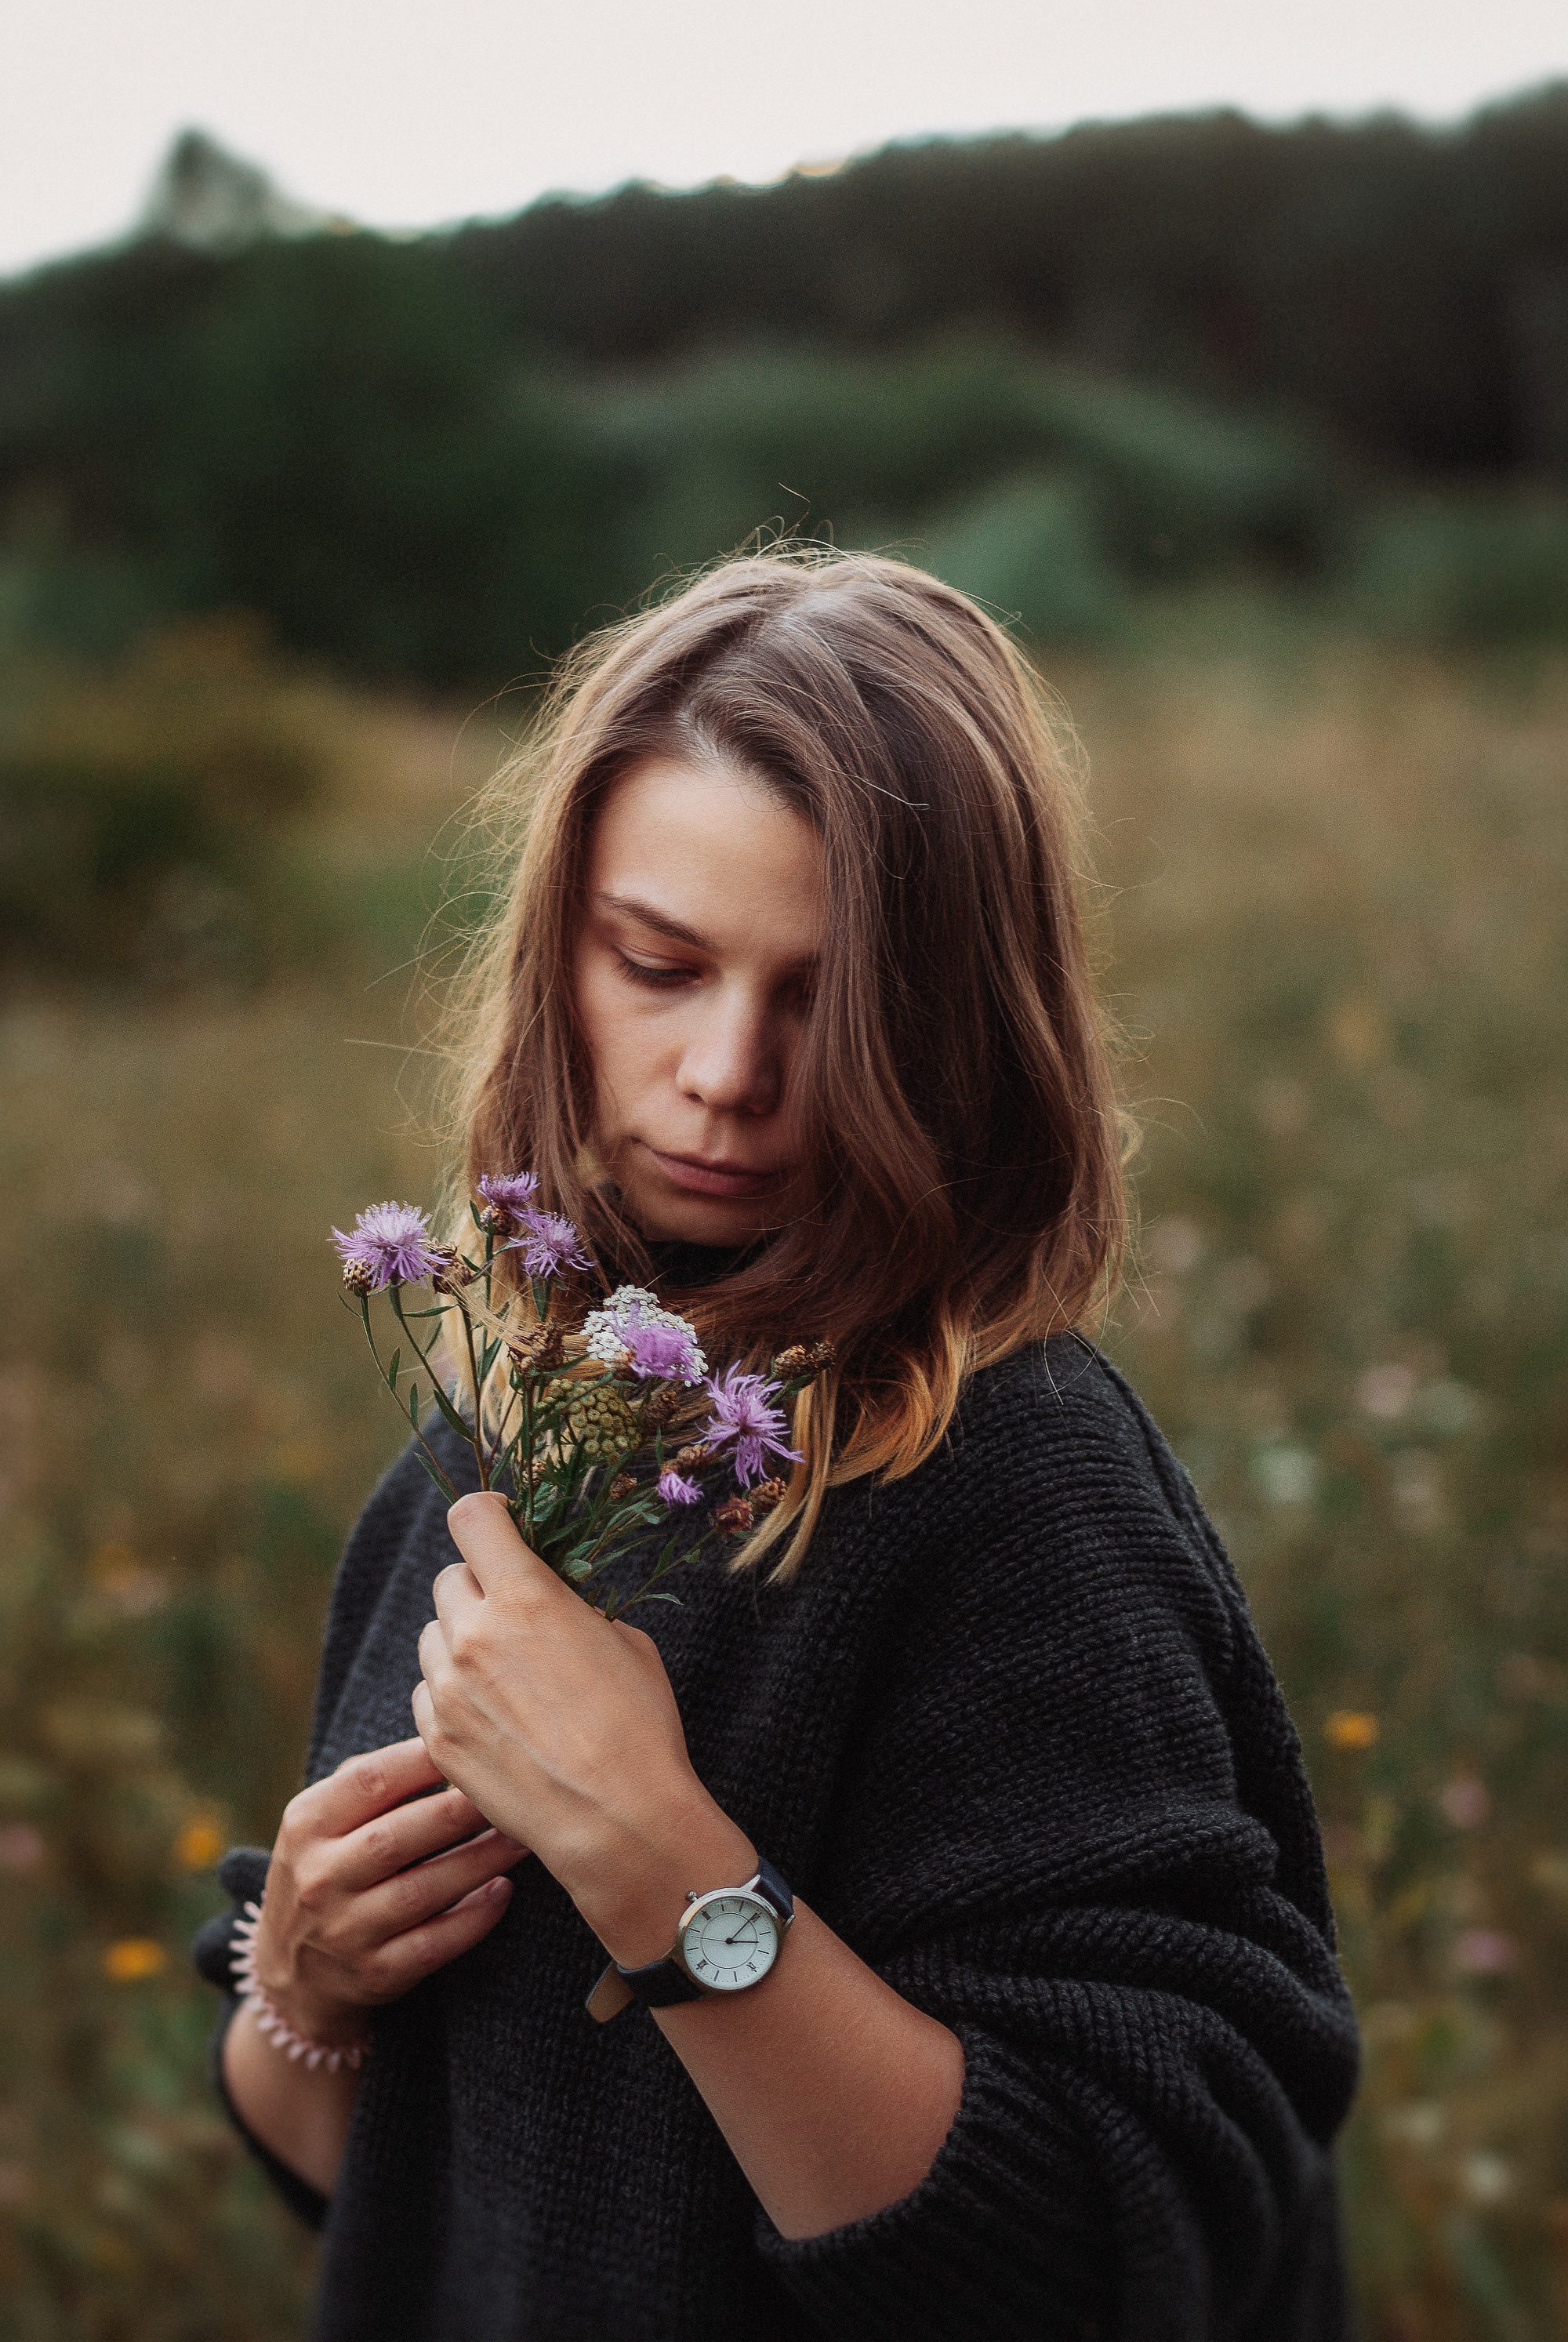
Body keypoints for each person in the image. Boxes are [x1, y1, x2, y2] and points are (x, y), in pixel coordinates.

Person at [195, 547, 1359, 2340]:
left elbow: (1118, 2256)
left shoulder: (1012, 1487)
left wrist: (659, 1857)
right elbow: (388, 2199)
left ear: (958, 1021)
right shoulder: (498, 1443)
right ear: (558, 949)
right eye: (657, 963)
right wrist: (306, 1985)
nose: (727, 1070)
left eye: (822, 996)